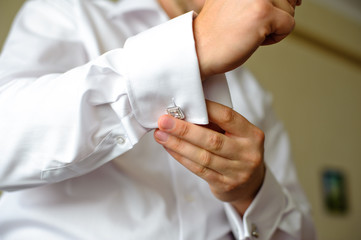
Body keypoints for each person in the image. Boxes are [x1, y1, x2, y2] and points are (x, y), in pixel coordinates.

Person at [0, 0, 316, 239]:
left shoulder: (254, 95)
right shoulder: (69, 10)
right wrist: (194, 44)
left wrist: (252, 192)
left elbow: (302, 232)